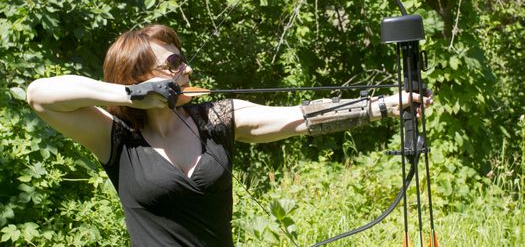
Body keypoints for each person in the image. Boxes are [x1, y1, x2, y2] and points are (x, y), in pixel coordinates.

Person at [26, 24, 432, 247]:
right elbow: (40, 96)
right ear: (141, 76)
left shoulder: (216, 118)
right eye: (174, 63)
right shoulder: (115, 137)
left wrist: (381, 105)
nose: (186, 70)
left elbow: (298, 118)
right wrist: (132, 97)